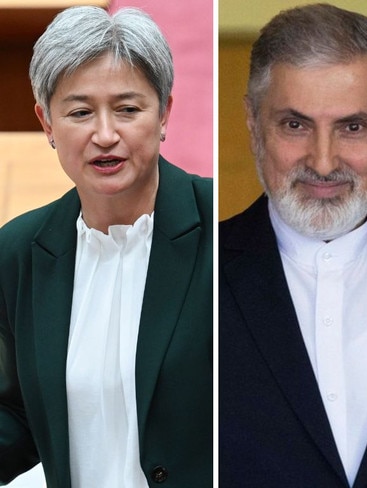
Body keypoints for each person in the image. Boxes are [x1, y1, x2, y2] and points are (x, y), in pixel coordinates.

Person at [219, 4, 367, 487]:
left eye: (352, 127)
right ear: (254, 124)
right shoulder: (191, 273)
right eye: (294, 125)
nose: (322, 160)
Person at [0, 6, 212, 487]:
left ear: (165, 113)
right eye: (79, 112)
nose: (105, 135)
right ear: (47, 123)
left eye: (127, 109)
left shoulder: (227, 227)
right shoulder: (17, 252)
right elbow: (17, 413)